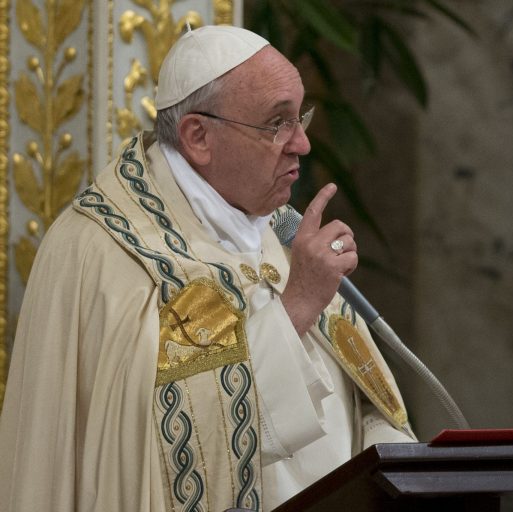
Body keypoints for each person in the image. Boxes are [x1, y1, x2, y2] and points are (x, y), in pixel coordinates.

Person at [0, 25, 415, 512]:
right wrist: (298, 301)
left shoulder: (284, 234)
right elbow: (153, 446)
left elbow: (365, 406)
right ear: (198, 136)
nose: (302, 144)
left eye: (300, 116)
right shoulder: (100, 249)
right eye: (277, 123)